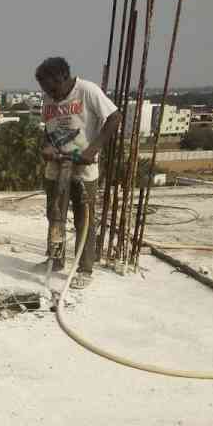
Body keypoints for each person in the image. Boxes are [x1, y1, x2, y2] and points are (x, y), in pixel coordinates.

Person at [35, 57, 121, 289]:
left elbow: (114, 117)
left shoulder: (87, 91)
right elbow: (47, 128)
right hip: (56, 167)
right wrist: (47, 147)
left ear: (63, 77)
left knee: (84, 219)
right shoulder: (49, 97)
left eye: (52, 88)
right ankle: (56, 259)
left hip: (83, 168)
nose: (51, 94)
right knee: (55, 215)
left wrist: (93, 149)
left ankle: (85, 268)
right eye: (46, 91)